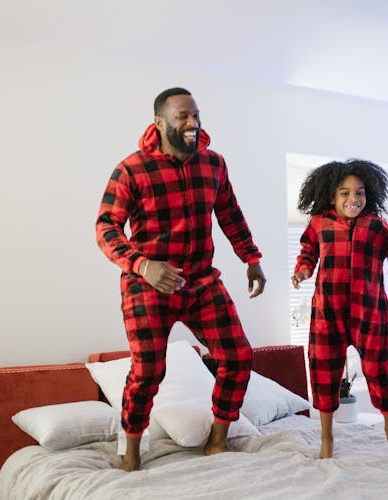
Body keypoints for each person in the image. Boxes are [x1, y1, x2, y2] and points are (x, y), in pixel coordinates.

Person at [96, 87, 266, 471]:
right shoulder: (131, 170)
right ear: (159, 123)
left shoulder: (214, 164)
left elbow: (230, 214)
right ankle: (130, 452)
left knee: (238, 357)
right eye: (182, 117)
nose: (192, 123)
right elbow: (106, 228)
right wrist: (142, 265)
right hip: (148, 283)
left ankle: (217, 441)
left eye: (195, 115)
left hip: (201, 281)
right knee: (149, 371)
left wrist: (251, 258)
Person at [291, 159, 388, 459]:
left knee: (379, 369)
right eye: (344, 193)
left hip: (368, 310)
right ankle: (327, 438)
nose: (353, 199)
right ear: (332, 196)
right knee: (322, 370)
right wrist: (303, 270)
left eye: (359, 192)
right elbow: (307, 251)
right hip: (328, 311)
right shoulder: (319, 223)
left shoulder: (375, 225)